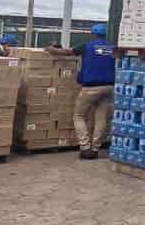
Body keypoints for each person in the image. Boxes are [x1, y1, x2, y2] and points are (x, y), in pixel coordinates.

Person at [46, 24, 114, 160]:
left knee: (78, 115)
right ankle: (95, 148)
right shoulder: (112, 48)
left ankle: (85, 147)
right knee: (101, 117)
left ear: (92, 34)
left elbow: (67, 52)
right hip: (109, 87)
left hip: (91, 87)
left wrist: (51, 49)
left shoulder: (87, 46)